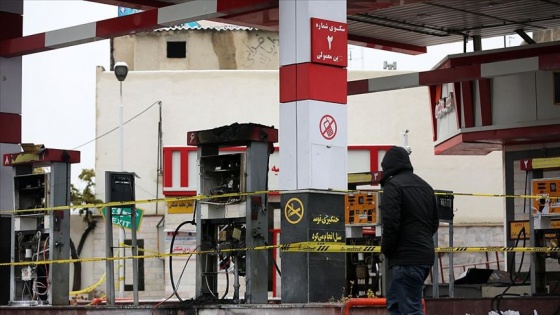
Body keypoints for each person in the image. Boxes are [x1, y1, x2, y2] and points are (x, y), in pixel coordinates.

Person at [380, 146, 439, 315]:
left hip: (406, 259)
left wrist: (387, 250)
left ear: (388, 166)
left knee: (411, 310)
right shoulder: (426, 187)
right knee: (395, 302)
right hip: (424, 257)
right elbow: (434, 223)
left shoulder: (393, 186)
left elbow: (391, 223)